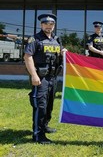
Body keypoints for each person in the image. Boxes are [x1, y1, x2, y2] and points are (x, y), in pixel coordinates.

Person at [24, 13, 67, 144]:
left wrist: (63, 51)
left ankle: (45, 125)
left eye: (51, 24)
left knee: (49, 104)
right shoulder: (35, 39)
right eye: (46, 24)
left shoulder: (56, 39)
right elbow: (27, 57)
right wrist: (34, 75)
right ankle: (38, 134)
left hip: (53, 77)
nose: (49, 26)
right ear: (41, 25)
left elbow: (60, 52)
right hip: (41, 78)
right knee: (40, 105)